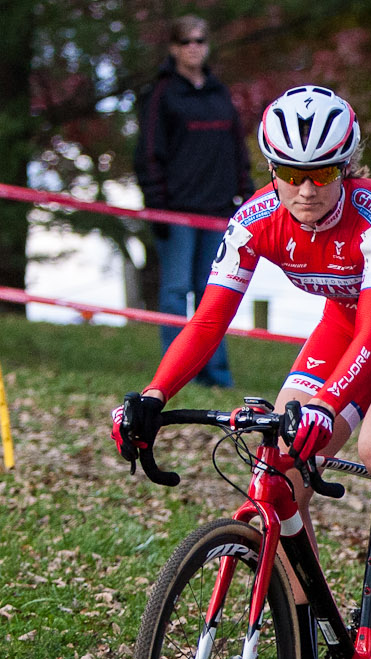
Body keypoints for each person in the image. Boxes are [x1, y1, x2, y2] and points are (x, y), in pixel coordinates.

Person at [113, 86, 371, 659]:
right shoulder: (256, 219)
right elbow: (207, 320)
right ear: (270, 170)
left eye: (321, 174)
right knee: (280, 475)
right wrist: (153, 395)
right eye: (289, 174)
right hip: (346, 329)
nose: (305, 190)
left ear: (347, 167)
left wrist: (331, 405)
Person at [135, 15, 254, 388]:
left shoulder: (220, 94)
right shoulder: (161, 93)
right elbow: (148, 152)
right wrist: (156, 204)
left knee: (213, 297)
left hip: (219, 212)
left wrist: (247, 196)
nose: (194, 47)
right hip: (176, 212)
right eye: (186, 41)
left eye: (200, 40)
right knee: (174, 294)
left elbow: (237, 149)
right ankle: (175, 375)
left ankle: (216, 375)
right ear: (174, 48)